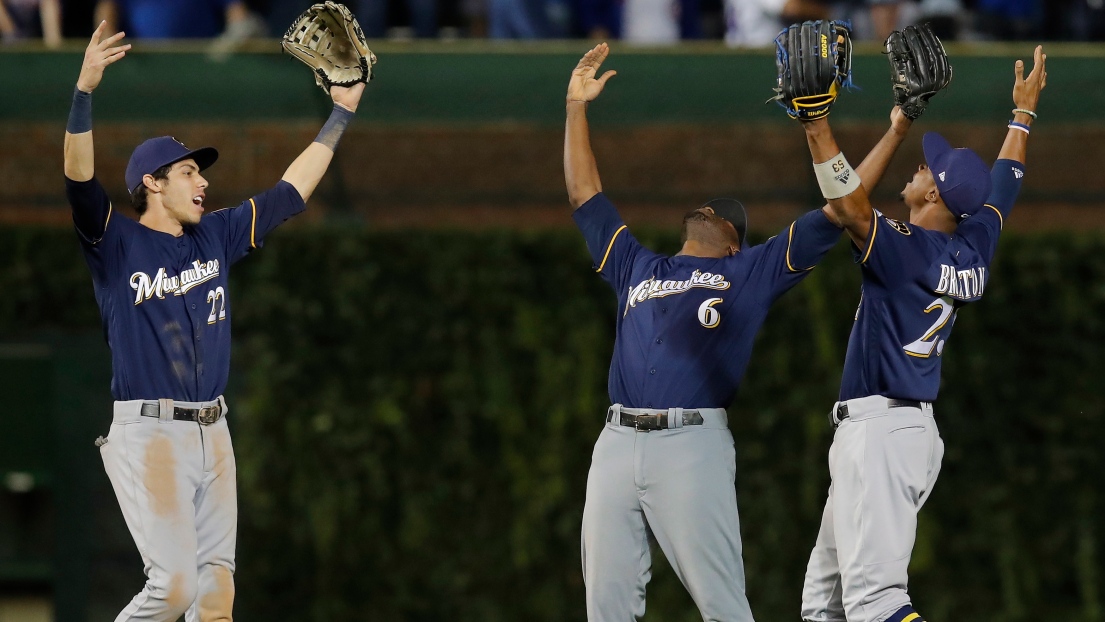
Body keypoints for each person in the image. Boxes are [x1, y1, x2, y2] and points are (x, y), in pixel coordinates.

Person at [564, 42, 915, 621]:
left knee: (724, 607)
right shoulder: (637, 265)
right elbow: (585, 196)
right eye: (706, 203)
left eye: (722, 210)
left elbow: (841, 210)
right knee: (605, 606)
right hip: (615, 442)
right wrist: (576, 107)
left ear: (734, 241)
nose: (708, 207)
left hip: (690, 444)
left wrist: (896, 131)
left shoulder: (747, 271)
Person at [63, 21, 365, 621]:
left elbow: (291, 190)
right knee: (172, 588)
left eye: (201, 173)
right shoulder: (116, 244)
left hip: (213, 431)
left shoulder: (217, 236)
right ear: (151, 183)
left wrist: (342, 113)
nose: (203, 181)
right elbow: (78, 180)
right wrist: (84, 92)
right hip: (150, 433)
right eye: (187, 172)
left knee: (216, 597)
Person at [798, 46, 1047, 622]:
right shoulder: (972, 246)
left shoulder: (904, 249)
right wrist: (1022, 118)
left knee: (876, 602)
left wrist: (818, 127)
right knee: (824, 605)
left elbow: (845, 203)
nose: (919, 166)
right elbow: (1003, 187)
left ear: (934, 195)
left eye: (926, 167)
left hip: (882, 431)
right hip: (901, 429)